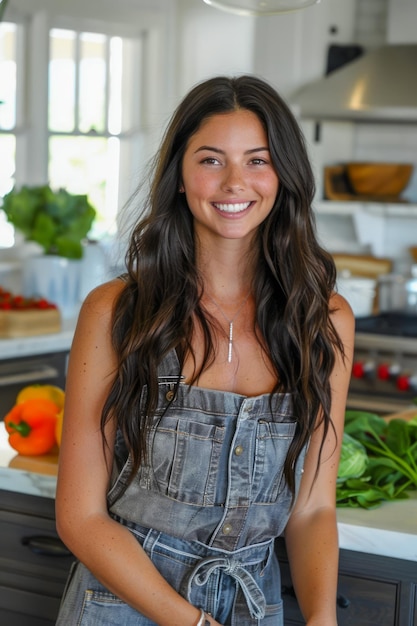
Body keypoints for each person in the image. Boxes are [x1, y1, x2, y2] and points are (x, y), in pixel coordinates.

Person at [55, 74, 354, 626]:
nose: (234, 182)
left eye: (258, 161)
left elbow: (313, 508)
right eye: (212, 160)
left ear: (284, 174)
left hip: (252, 606)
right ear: (179, 176)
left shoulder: (323, 320)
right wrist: (190, 622)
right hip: (122, 604)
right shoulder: (118, 310)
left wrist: (321, 619)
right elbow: (80, 517)